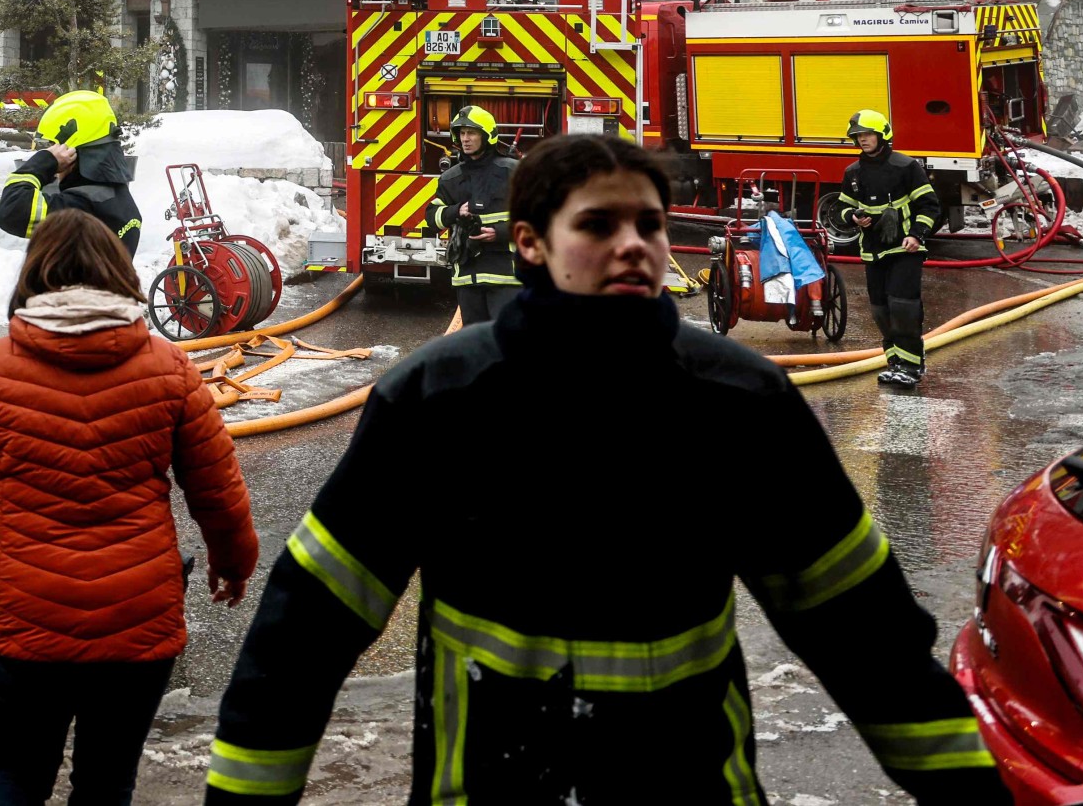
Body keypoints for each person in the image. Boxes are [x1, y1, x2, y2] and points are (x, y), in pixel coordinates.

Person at [205, 135, 1001, 804]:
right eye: (598, 223)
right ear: (530, 241)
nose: (633, 243)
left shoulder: (742, 401)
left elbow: (869, 637)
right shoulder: (437, 399)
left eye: (649, 224)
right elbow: (305, 630)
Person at [0, 210, 258, 806]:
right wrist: (234, 563)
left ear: (36, 274)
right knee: (108, 782)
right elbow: (218, 491)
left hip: (25, 619)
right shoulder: (172, 369)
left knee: (12, 773)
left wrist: (20, 509)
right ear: (120, 273)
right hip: (136, 619)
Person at [839, 108, 943, 391]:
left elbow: (930, 206)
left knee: (903, 308)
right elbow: (841, 209)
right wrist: (852, 217)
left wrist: (916, 235)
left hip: (904, 250)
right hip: (873, 252)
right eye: (858, 136)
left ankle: (911, 367)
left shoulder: (905, 167)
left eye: (868, 134)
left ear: (882, 135)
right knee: (880, 311)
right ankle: (895, 364)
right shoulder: (854, 173)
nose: (863, 140)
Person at [0, 90, 141, 252]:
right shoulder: (119, 199)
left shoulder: (79, 211)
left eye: (55, 146)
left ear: (70, 155)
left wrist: (47, 160)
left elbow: (11, 211)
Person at [425, 104, 518, 323]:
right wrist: (456, 211)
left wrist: (500, 232)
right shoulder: (451, 178)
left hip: (507, 278)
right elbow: (432, 217)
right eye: (462, 133)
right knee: (475, 344)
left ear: (487, 136)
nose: (465, 139)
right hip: (468, 278)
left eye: (472, 133)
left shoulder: (513, 172)